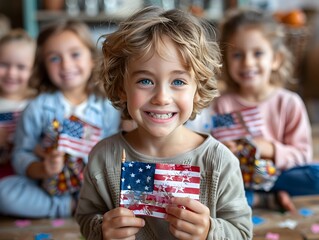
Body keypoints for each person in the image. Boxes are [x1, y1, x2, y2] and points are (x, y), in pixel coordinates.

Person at [75, 6, 252, 240]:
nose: (161, 98)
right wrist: (102, 230)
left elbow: (242, 233)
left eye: (178, 81)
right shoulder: (103, 158)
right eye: (145, 80)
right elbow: (86, 219)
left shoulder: (220, 162)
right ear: (122, 87)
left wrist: (210, 231)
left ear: (197, 91)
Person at [190, 8, 316, 213]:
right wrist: (225, 149)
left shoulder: (289, 103)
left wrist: (270, 149)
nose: (248, 62)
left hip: (279, 175)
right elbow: (213, 146)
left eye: (258, 53)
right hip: (239, 178)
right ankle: (259, 199)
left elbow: (302, 154)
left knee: (316, 174)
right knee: (201, 187)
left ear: (275, 59)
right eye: (237, 55)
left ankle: (259, 196)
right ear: (226, 59)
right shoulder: (222, 104)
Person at [0, 20, 121, 218]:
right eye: (54, 58)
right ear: (43, 66)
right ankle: (69, 207)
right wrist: (42, 168)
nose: (66, 65)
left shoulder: (107, 108)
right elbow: (21, 154)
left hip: (92, 185)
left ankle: (88, 204)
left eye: (75, 54)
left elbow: (113, 152)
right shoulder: (37, 108)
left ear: (91, 58)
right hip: (47, 187)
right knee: (4, 193)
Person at [0, 29, 36, 179]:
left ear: (33, 71)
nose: (11, 73)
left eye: (21, 67)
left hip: (30, 176)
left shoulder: (37, 103)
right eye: (4, 65)